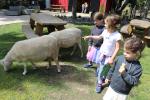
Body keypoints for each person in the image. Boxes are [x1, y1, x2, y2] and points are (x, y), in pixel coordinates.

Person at [83, 14, 122, 93]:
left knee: (102, 71)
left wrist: (111, 58)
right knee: (100, 67)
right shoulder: (105, 31)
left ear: (111, 25)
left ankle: (100, 84)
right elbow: (99, 37)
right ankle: (102, 78)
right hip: (101, 54)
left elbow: (117, 48)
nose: (104, 25)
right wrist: (89, 36)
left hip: (109, 57)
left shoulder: (117, 35)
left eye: (106, 23)